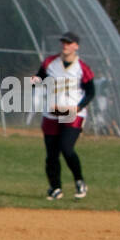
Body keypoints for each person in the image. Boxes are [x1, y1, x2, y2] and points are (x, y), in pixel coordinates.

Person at [32, 31, 93, 200]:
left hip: (73, 113)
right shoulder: (50, 63)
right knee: (51, 154)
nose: (65, 45)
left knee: (67, 148)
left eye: (69, 43)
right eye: (63, 42)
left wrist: (78, 107)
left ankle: (79, 181)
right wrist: (34, 81)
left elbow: (91, 92)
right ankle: (55, 187)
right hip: (52, 112)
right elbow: (40, 78)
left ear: (76, 46)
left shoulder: (82, 67)